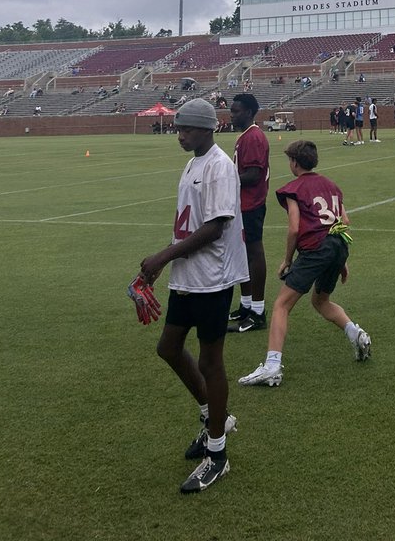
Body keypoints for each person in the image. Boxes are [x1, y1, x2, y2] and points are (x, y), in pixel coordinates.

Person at [138, 98, 248, 495]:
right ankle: (213, 417)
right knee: (168, 348)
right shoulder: (193, 162)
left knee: (210, 360)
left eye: (186, 129)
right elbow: (188, 222)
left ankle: (217, 454)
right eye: (178, 128)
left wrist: (164, 256)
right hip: (189, 273)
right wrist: (160, 262)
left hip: (213, 277)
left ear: (205, 129)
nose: (179, 134)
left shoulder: (219, 165)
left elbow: (217, 227)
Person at [238, 138, 371, 387]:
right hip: (337, 245)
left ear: (294, 162)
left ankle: (272, 366)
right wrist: (340, 258)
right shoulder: (331, 185)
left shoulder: (294, 189)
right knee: (321, 301)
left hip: (316, 249)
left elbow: (294, 228)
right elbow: (344, 221)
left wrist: (287, 260)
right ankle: (357, 334)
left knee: (280, 306)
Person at [226, 93, 270, 334]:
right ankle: (246, 305)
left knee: (253, 252)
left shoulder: (253, 136)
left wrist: (225, 178)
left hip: (251, 203)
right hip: (242, 203)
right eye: (231, 110)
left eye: (237, 111)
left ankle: (259, 310)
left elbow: (253, 174)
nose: (232, 115)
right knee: (242, 254)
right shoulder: (246, 136)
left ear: (250, 112)